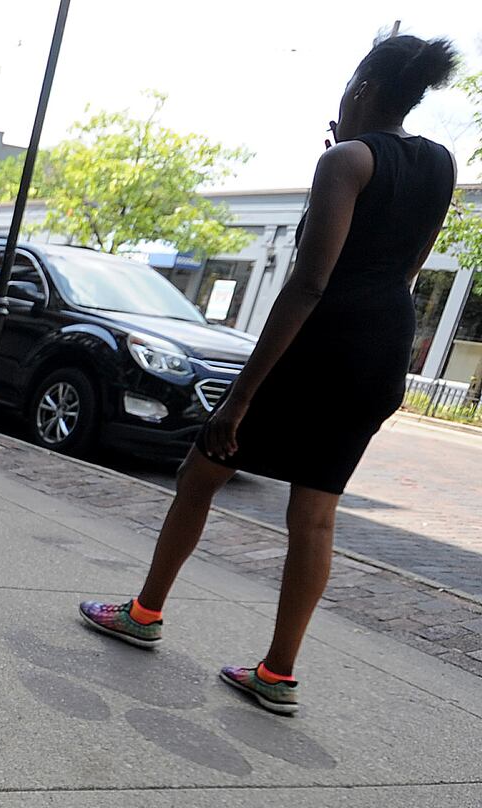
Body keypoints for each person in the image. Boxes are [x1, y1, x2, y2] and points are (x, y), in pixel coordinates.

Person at [80, 32, 460, 716]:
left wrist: (240, 398)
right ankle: (278, 672)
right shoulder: (439, 164)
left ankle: (143, 612)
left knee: (201, 473)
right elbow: (407, 268)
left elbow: (309, 284)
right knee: (315, 513)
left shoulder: (346, 161)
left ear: (363, 91)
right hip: (382, 349)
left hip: (320, 341)